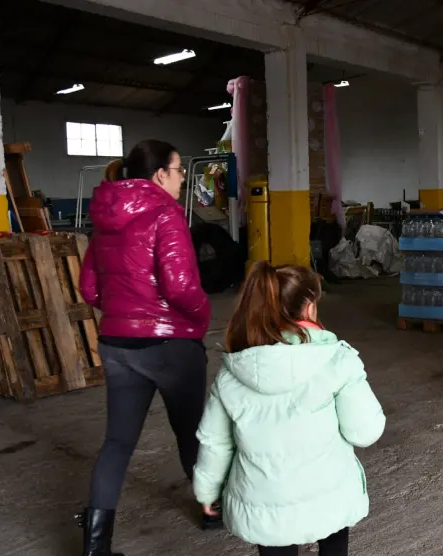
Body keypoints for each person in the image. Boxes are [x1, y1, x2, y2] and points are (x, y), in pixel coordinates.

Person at [193, 262, 386, 556]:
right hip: (328, 492)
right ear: (309, 308)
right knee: (333, 542)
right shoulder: (336, 361)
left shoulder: (232, 373)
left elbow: (215, 443)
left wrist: (207, 492)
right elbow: (365, 432)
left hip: (263, 499)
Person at [78, 140, 213, 556]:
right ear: (160, 175)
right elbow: (181, 287)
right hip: (169, 344)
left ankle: (95, 546)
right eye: (179, 172)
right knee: (192, 432)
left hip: (117, 344)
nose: (181, 180)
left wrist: (123, 311)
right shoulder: (166, 214)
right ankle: (211, 511)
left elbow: (89, 288)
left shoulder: (103, 219)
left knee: (117, 442)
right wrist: (201, 314)